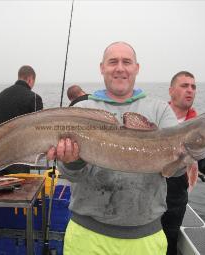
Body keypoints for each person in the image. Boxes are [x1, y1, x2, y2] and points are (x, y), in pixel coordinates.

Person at [47, 41, 179, 255]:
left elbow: (178, 169)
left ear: (137, 68)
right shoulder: (81, 110)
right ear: (102, 68)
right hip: (87, 237)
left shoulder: (160, 110)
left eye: (126, 62)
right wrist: (73, 160)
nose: (120, 68)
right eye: (113, 62)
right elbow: (69, 173)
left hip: (146, 238)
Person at [161, 71, 205, 255]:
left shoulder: (203, 126)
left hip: (174, 199)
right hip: (145, 192)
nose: (190, 90)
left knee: (168, 244)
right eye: (184, 86)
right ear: (171, 90)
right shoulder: (156, 117)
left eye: (193, 86)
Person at [0, 65, 43, 174]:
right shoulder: (34, 98)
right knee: (19, 189)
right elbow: (38, 131)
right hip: (20, 157)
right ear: (30, 79)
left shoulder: (1, 95)